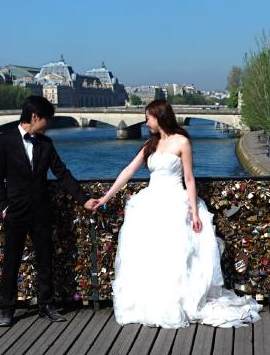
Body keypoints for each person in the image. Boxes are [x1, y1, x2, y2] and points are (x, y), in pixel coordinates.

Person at [97, 99, 261, 328]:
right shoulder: (150, 144)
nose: (146, 122)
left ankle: (176, 302)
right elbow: (128, 171)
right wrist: (106, 197)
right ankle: (153, 302)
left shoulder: (182, 142)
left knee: (175, 255)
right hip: (151, 202)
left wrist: (194, 212)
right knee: (151, 256)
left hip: (175, 202)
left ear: (159, 117)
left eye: (148, 117)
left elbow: (189, 178)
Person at [0, 95, 101, 328]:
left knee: (45, 259)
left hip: (40, 209)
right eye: (46, 120)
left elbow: (62, 173)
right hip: (15, 211)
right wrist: (2, 206)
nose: (48, 125)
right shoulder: (4, 140)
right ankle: (7, 309)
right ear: (35, 117)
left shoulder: (46, 144)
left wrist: (84, 200)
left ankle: (46, 305)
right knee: (11, 261)